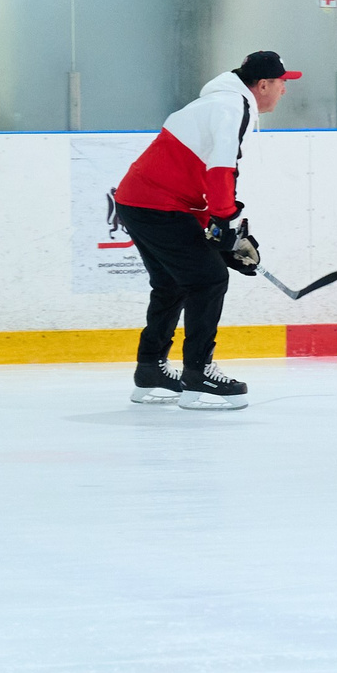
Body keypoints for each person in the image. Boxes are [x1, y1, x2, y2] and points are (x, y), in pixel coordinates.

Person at [109, 50, 299, 410]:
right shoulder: (233, 107)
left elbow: (193, 177)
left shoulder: (219, 103)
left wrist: (226, 231)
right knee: (209, 279)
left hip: (140, 201)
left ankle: (151, 369)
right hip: (156, 204)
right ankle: (199, 374)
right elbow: (220, 171)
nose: (284, 90)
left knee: (172, 283)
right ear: (262, 85)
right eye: (281, 83)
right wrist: (226, 223)